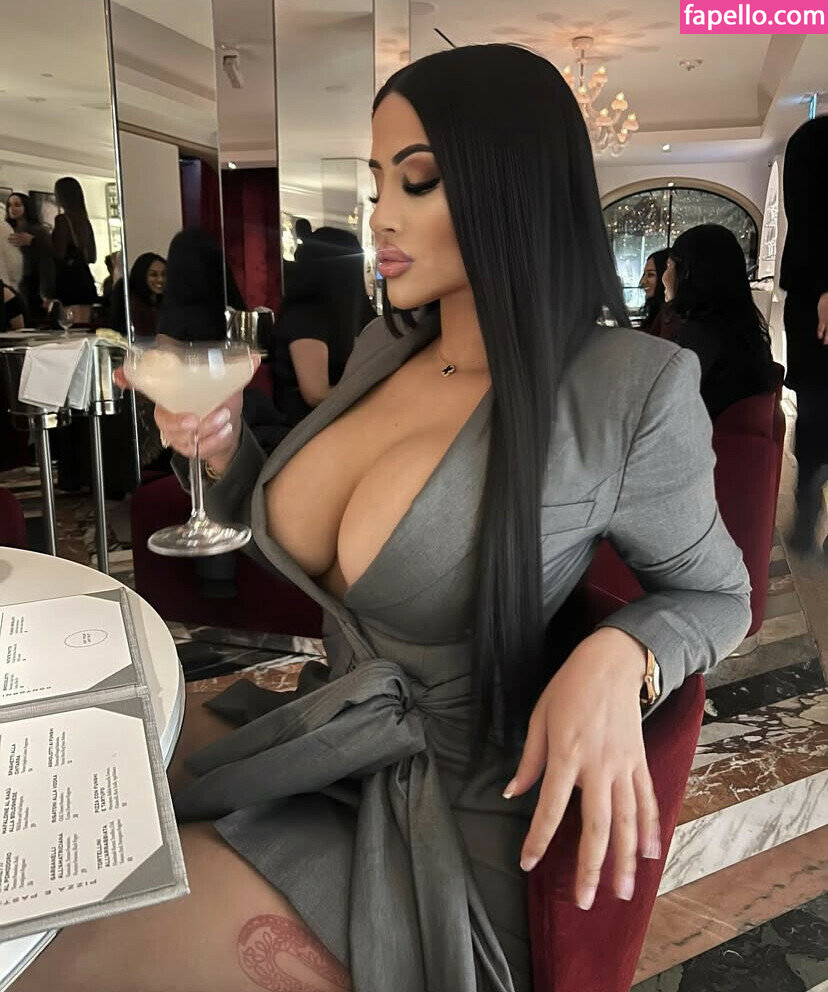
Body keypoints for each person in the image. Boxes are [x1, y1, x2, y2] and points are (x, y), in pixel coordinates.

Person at [19, 45, 751, 992]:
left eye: (419, 181)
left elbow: (721, 594)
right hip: (325, 737)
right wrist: (225, 452)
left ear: (511, 189)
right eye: (376, 185)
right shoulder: (387, 344)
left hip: (444, 828)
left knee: (72, 935)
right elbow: (323, 553)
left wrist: (622, 654)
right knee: (66, 797)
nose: (380, 217)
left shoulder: (628, 387)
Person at [660, 224, 776, 420]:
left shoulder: (699, 336)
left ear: (687, 272)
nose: (664, 277)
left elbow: (669, 406)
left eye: (669, 266)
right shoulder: (744, 333)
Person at [779, 115, 828, 557]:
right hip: (815, 296)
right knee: (815, 411)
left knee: (814, 413)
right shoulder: (815, 139)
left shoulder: (809, 138)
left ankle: (807, 515)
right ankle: (807, 514)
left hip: (808, 296)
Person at [270, 226, 376, 426]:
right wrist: (378, 392)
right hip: (304, 429)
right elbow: (316, 395)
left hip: (333, 423)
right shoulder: (306, 316)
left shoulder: (343, 316)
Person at [51, 176, 98, 324]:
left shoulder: (62, 220)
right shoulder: (85, 221)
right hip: (85, 278)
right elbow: (92, 257)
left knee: (70, 326)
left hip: (69, 280)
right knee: (84, 326)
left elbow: (59, 253)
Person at [5, 191, 54, 321]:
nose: (12, 208)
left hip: (33, 283)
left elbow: (47, 261)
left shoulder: (39, 231)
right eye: (10, 205)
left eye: (17, 205)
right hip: (12, 283)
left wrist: (47, 292)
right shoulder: (6, 230)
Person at [638, 248, 669, 336]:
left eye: (650, 274)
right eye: (644, 274)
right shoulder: (658, 312)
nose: (643, 281)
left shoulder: (668, 317)